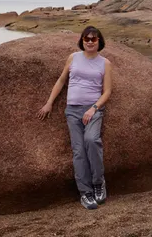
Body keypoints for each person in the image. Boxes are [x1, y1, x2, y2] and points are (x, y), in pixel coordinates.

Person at [37, 26, 113, 210]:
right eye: (86, 38)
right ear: (82, 40)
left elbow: (108, 91)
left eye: (93, 39)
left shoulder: (105, 63)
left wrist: (94, 108)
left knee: (92, 141)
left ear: (99, 42)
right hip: (72, 110)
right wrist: (49, 103)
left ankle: (98, 183)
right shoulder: (73, 57)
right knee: (78, 151)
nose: (89, 41)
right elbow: (62, 80)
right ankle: (85, 193)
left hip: (93, 111)